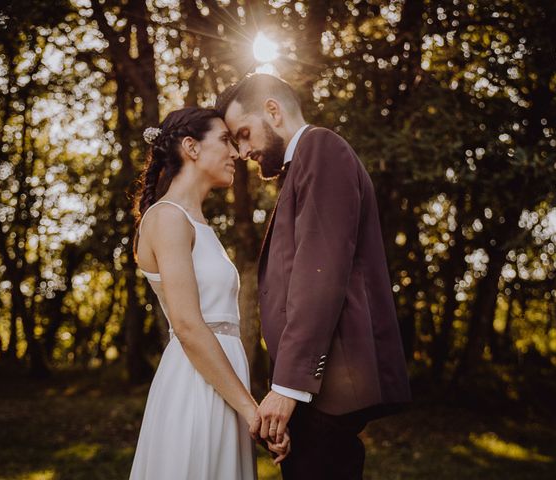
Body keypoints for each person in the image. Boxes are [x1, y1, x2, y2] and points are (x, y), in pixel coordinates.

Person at [216, 73, 412, 479]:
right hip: (318, 389)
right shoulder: (303, 165)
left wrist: (288, 387)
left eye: (245, 134)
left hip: (328, 388)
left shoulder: (321, 149)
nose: (244, 150)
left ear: (273, 110)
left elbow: (321, 271)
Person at [128, 107, 290, 480]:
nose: (236, 153)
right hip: (195, 387)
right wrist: (253, 411)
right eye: (225, 142)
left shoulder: (198, 224)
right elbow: (187, 325)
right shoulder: (168, 218)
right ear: (191, 148)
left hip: (222, 383)